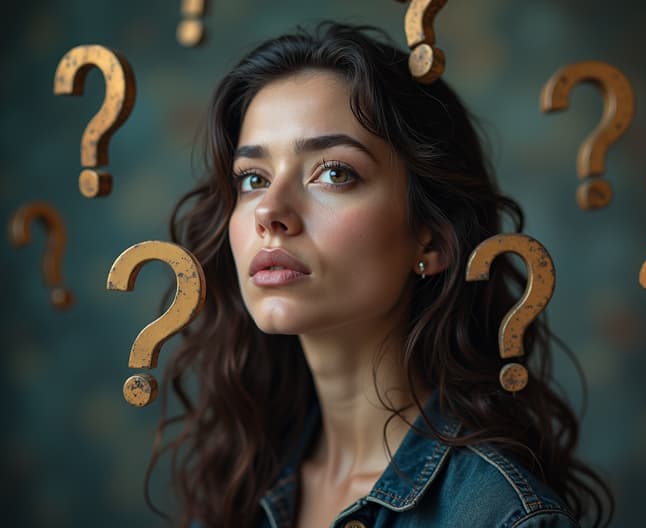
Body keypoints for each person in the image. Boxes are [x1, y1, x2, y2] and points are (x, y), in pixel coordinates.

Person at [148, 22, 613, 528]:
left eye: (334, 173)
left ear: (432, 239)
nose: (270, 212)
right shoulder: (240, 482)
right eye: (253, 179)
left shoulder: (498, 516)